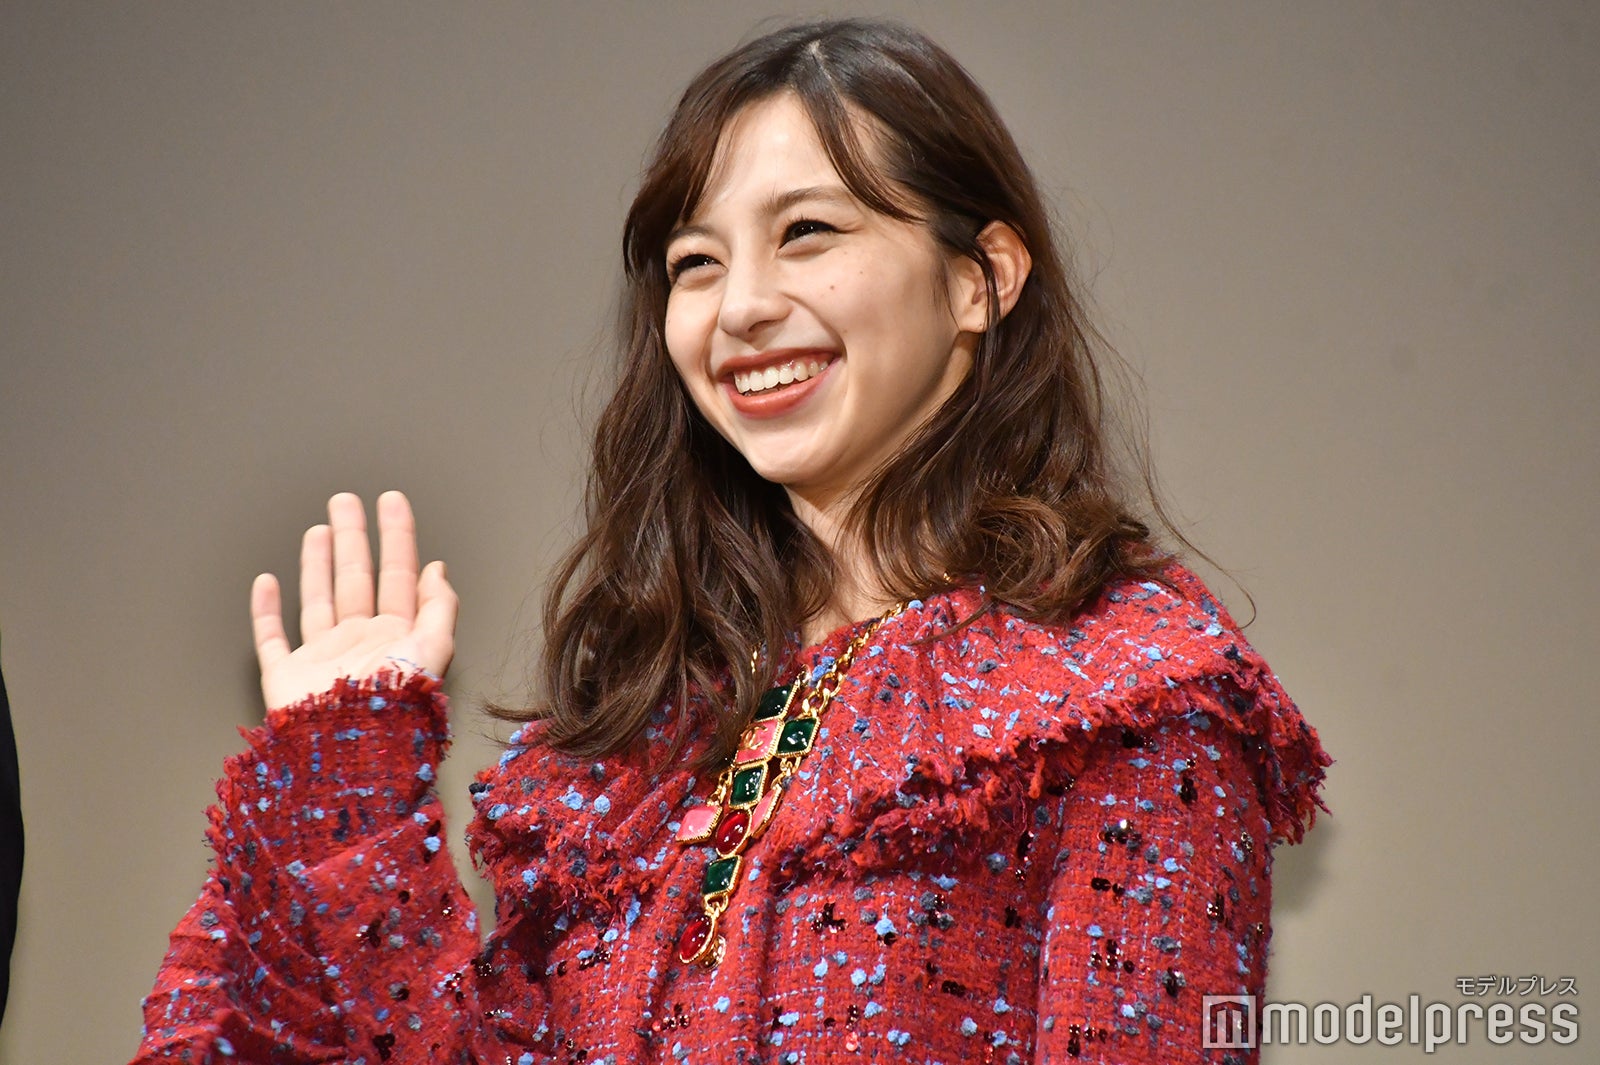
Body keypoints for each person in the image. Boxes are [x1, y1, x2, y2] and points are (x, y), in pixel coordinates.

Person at [132, 17, 1329, 1065]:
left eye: (806, 231)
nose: (742, 307)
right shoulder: (640, 740)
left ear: (981, 279)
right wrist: (349, 779)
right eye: (695, 263)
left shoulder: (1129, 693)